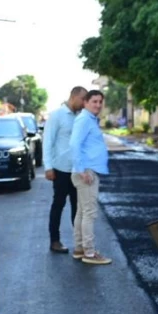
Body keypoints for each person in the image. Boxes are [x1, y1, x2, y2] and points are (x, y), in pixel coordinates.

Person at [69, 89, 112, 265]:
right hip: (86, 172)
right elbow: (74, 144)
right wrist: (82, 170)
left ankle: (80, 249)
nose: (98, 105)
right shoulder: (84, 119)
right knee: (89, 213)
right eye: (94, 101)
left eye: (100, 101)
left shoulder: (89, 120)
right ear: (85, 102)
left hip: (87, 170)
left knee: (82, 211)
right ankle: (89, 252)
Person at [43, 86, 87, 253]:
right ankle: (55, 241)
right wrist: (48, 167)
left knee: (78, 208)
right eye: (82, 99)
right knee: (58, 205)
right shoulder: (57, 116)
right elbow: (48, 142)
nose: (84, 103)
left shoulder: (81, 116)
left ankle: (80, 244)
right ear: (74, 96)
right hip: (60, 169)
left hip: (77, 170)